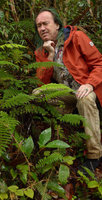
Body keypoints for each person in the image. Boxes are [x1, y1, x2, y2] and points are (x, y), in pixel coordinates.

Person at [34, 7, 102, 174]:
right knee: (36, 94)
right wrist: (49, 56)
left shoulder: (76, 37)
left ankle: (94, 156)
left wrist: (89, 84)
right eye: (38, 25)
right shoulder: (40, 51)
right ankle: (66, 125)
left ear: (57, 24)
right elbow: (42, 83)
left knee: (84, 98)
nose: (42, 28)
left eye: (45, 23)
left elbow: (99, 63)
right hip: (69, 94)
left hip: (87, 88)